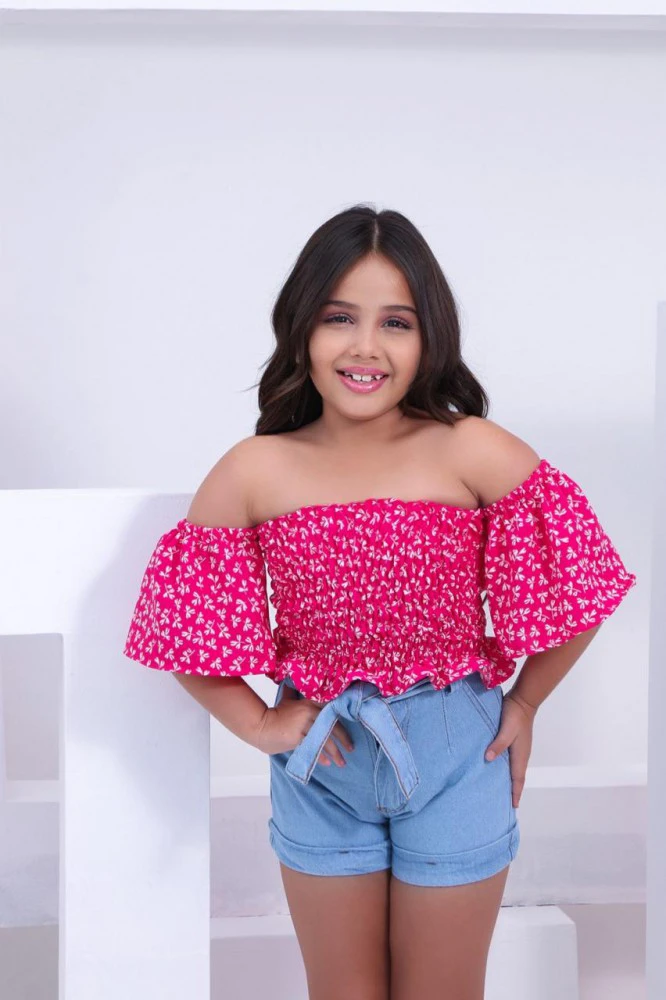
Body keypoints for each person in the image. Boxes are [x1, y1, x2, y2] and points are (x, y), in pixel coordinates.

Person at [123, 204, 636, 1000]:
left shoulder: (469, 448)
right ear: (302, 329)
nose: (365, 346)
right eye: (339, 318)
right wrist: (259, 724)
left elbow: (584, 578)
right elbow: (180, 627)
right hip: (322, 766)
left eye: (395, 322)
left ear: (430, 336)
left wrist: (527, 701)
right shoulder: (254, 469)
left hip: (459, 757)